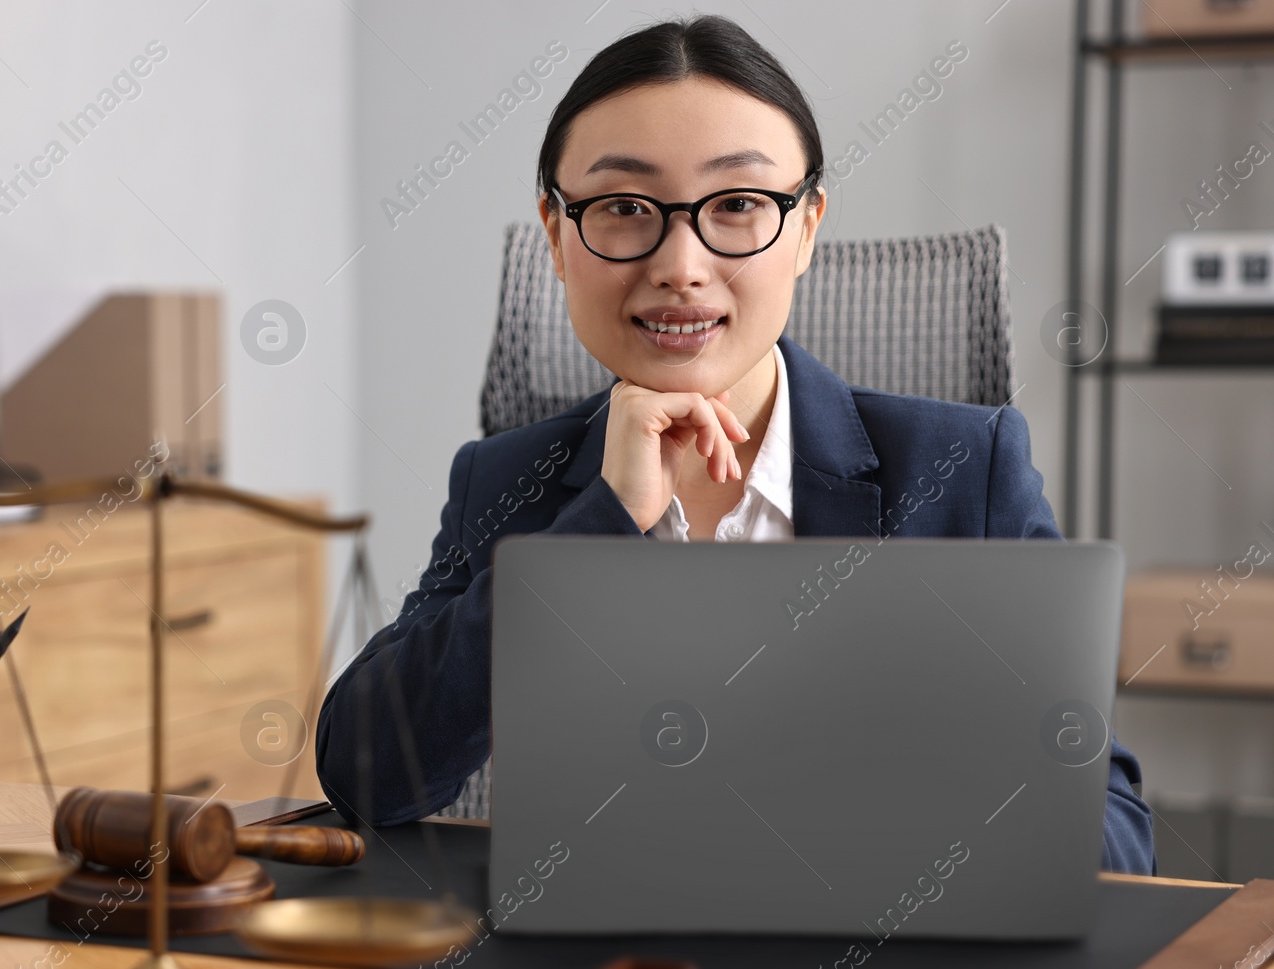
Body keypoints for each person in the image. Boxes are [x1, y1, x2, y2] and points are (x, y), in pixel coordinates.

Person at [315, 14, 1155, 874]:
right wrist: (596, 526)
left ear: (807, 228)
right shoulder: (505, 481)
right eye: (624, 208)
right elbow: (368, 774)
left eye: (740, 204)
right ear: (557, 235)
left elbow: (1111, 834)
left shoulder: (963, 471)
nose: (680, 262)